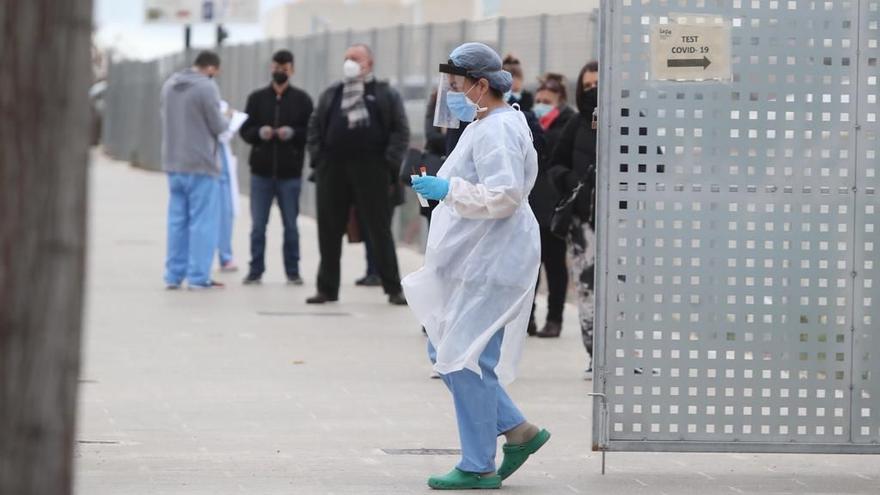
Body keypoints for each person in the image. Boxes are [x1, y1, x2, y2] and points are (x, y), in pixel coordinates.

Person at [403, 42, 550, 490]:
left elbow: (505, 197)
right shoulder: (484, 122)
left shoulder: (498, 130)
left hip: (495, 257)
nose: (451, 93)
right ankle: (519, 431)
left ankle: (478, 463)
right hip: (478, 255)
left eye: (456, 85)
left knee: (461, 359)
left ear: (481, 85)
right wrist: (440, 186)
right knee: (447, 350)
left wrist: (447, 190)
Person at [306, 44, 409, 305]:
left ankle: (393, 288)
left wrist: (388, 164)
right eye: (346, 58)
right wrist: (319, 159)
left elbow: (400, 130)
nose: (349, 62)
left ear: (369, 63)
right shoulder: (332, 93)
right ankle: (326, 288)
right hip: (333, 167)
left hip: (372, 168)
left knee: (379, 229)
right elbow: (315, 126)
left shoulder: (385, 94)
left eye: (355, 58)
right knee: (329, 230)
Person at [239, 49, 314, 286]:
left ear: (291, 70)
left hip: (289, 173)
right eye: (276, 67)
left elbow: (311, 132)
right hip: (261, 172)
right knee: (258, 226)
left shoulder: (302, 100)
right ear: (270, 68)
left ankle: (293, 271)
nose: (279, 72)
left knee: (291, 226)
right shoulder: (257, 98)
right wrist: (259, 133)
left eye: (284, 68)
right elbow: (245, 129)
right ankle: (255, 269)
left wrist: (291, 134)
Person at [547, 61, 599, 379]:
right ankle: (595, 354)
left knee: (622, 292)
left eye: (598, 85)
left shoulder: (633, 121)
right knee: (586, 290)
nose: (593, 91)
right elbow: (555, 165)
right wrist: (573, 186)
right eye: (588, 86)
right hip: (583, 224)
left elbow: (654, 164)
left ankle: (622, 354)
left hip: (622, 222)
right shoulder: (577, 124)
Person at [160, 51, 229, 290]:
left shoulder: (169, 85)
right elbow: (218, 125)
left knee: (177, 221)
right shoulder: (206, 88)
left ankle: (173, 275)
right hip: (201, 164)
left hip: (173, 162)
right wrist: (228, 118)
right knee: (203, 222)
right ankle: (198, 277)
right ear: (211, 68)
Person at [529, 74, 576, 338]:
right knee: (529, 267)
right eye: (538, 100)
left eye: (546, 101)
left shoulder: (567, 125)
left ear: (559, 102)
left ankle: (554, 318)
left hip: (555, 206)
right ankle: (528, 318)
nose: (540, 105)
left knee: (555, 265)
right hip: (531, 204)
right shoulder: (531, 122)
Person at [216, 100, 242, 273]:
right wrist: (228, 118)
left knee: (226, 212)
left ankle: (225, 256)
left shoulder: (217, 101)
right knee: (201, 216)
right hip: (203, 165)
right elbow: (221, 128)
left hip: (220, 164)